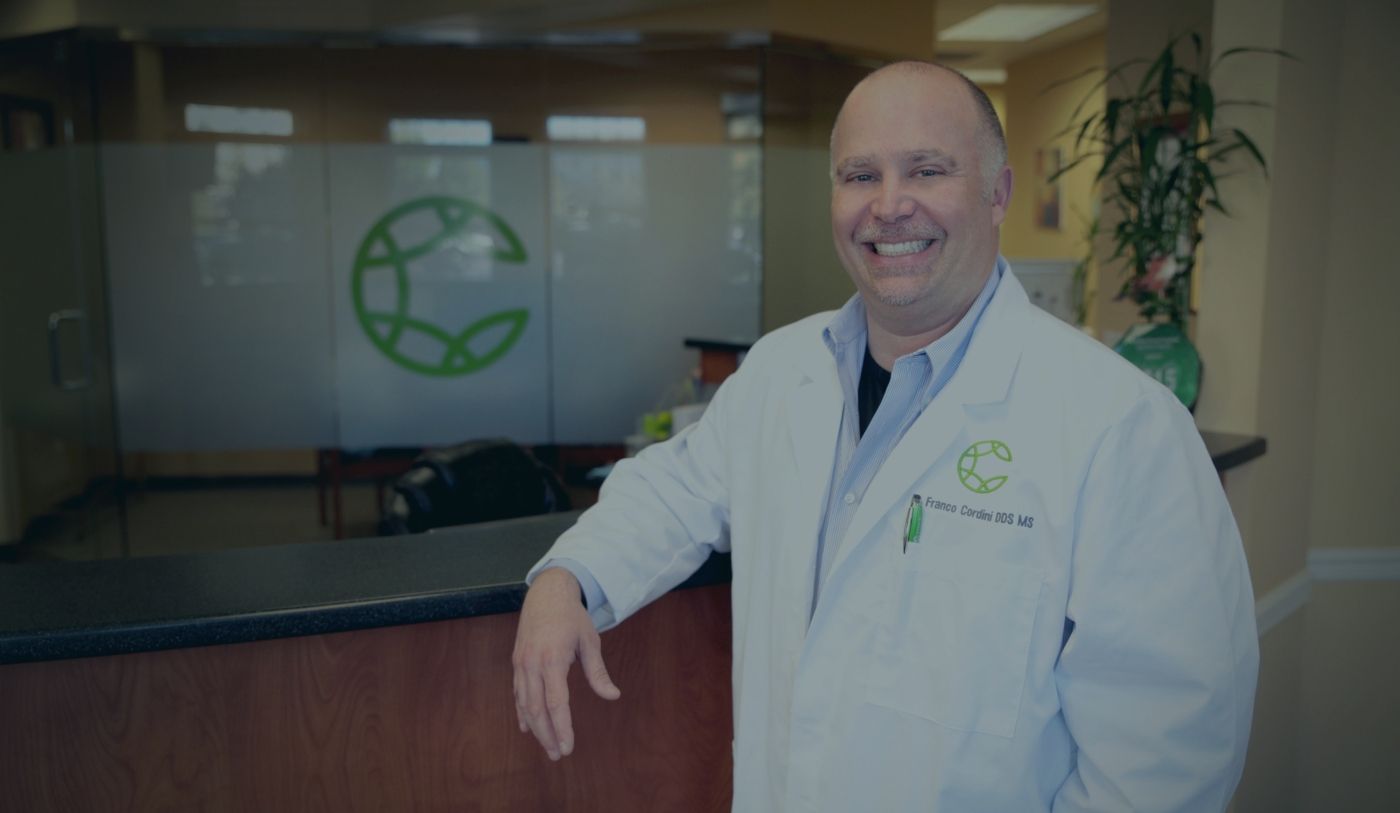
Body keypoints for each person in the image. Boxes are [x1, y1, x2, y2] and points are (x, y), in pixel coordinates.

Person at [512, 61, 1259, 812]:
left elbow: (1168, 753)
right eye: (860, 175)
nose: (889, 205)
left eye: (927, 170)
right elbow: (672, 489)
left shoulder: (1119, 425)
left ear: (997, 194)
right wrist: (565, 578)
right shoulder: (782, 370)